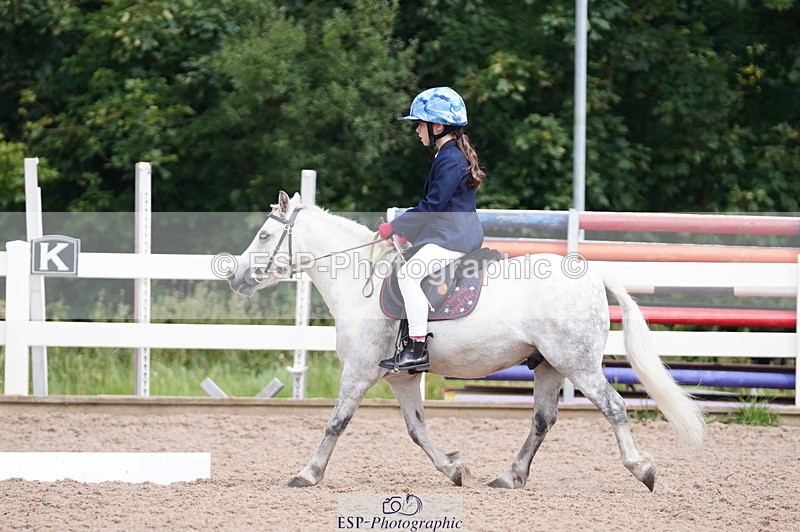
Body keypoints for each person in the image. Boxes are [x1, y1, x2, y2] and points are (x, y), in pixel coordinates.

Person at [378, 86, 485, 373]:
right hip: (448, 234)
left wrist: (394, 225)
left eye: (419, 124)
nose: (416, 130)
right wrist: (406, 234)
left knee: (408, 274)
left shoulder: (450, 159)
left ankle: (416, 348)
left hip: (455, 238)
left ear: (437, 126)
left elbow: (433, 204)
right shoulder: (446, 155)